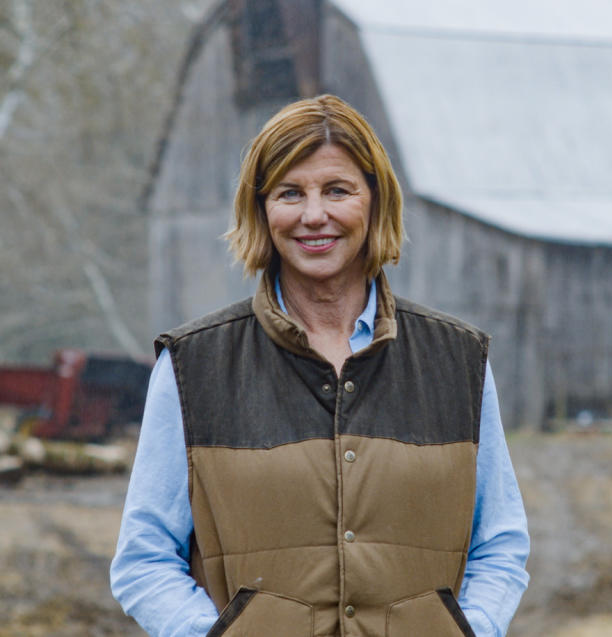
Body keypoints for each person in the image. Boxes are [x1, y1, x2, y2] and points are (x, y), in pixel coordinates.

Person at [110, 94, 529, 637]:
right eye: (290, 193)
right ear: (261, 210)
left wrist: (471, 629)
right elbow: (143, 559)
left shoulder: (458, 360)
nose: (313, 215)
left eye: (337, 190)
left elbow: (500, 543)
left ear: (375, 202)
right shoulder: (194, 368)